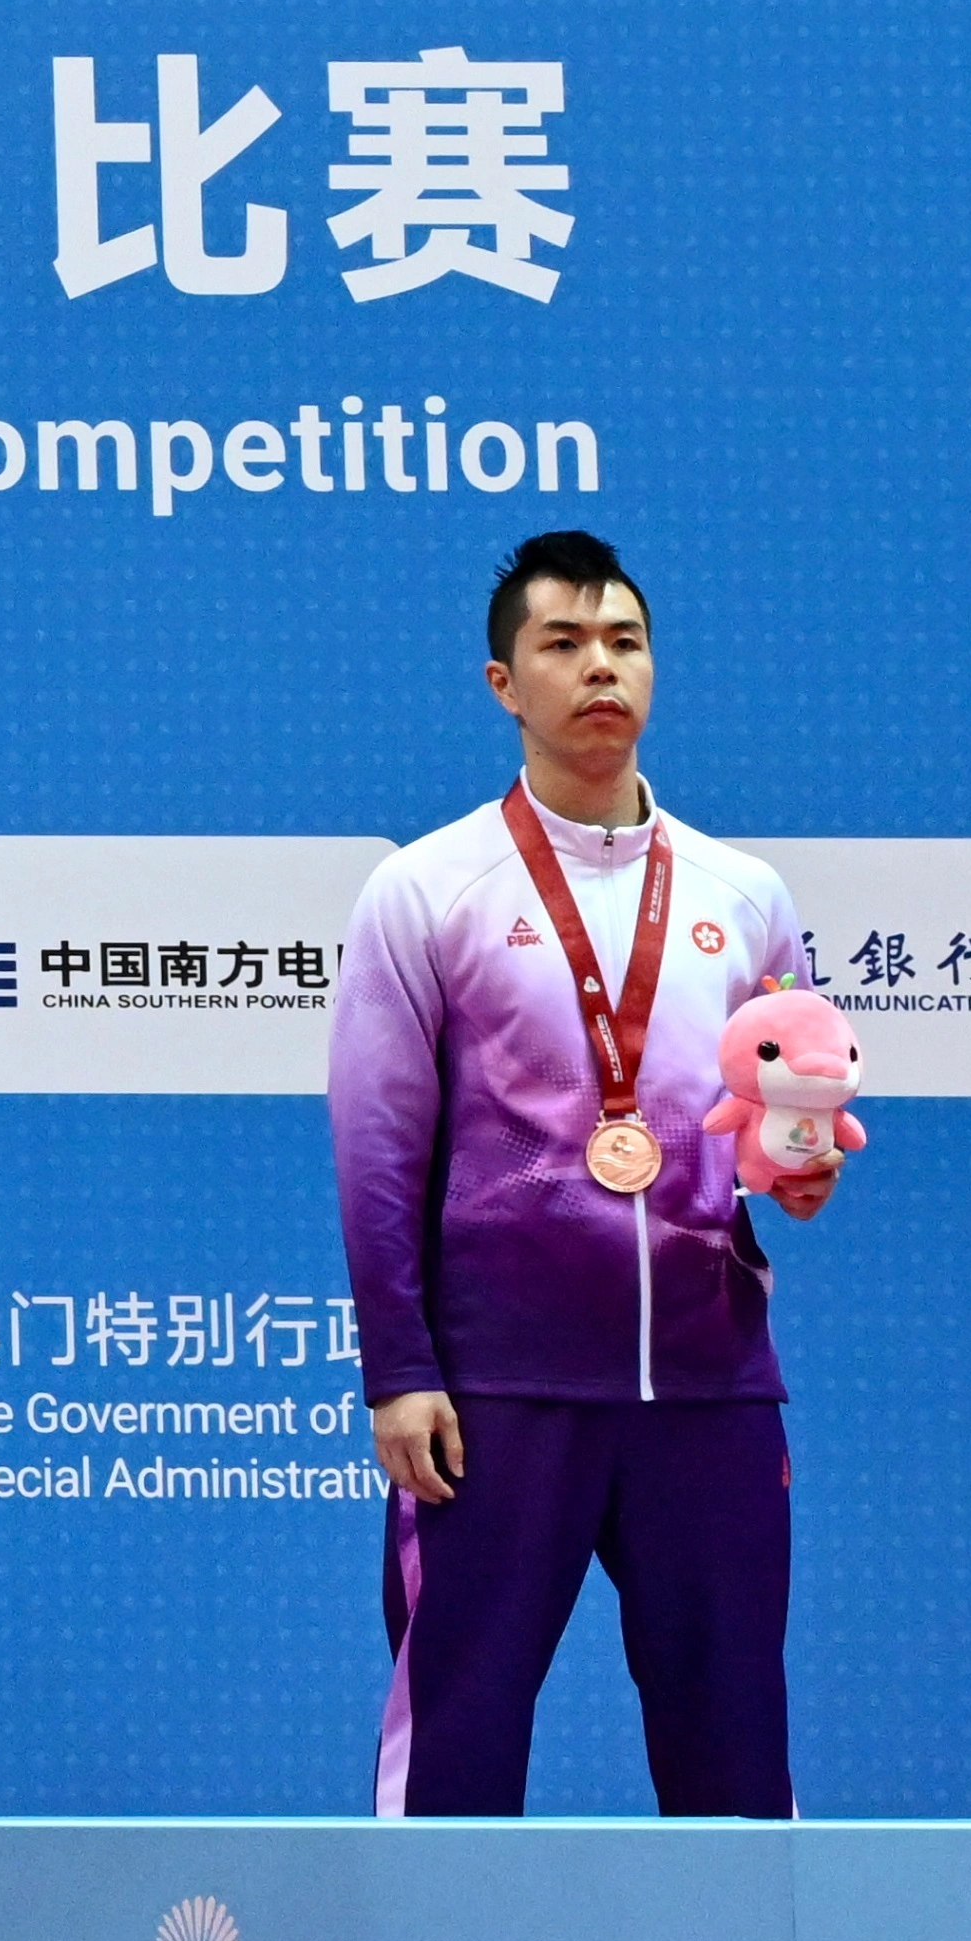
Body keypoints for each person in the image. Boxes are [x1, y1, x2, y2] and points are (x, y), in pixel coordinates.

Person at [331, 528, 826, 1821]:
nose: (598, 666)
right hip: (496, 1395)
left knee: (734, 1753)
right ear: (503, 681)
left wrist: (800, 1166)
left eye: (622, 640)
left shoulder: (748, 894)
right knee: (458, 1742)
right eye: (561, 642)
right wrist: (400, 1371)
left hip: (711, 1390)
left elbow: (778, 1117)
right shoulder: (423, 890)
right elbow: (376, 1152)